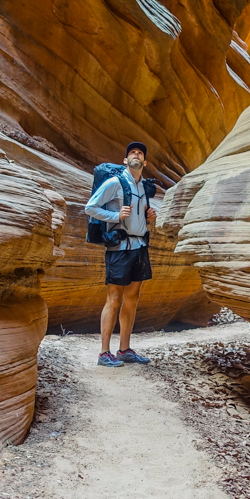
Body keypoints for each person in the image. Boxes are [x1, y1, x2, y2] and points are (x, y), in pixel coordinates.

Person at [84, 141, 158, 367]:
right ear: (125, 161)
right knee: (114, 299)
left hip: (139, 247)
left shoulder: (144, 187)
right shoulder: (115, 182)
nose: (136, 154)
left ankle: (124, 349)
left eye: (140, 153)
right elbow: (90, 207)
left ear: (144, 163)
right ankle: (104, 353)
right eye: (132, 153)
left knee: (132, 300)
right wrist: (115, 216)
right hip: (119, 249)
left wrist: (149, 217)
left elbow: (140, 214)